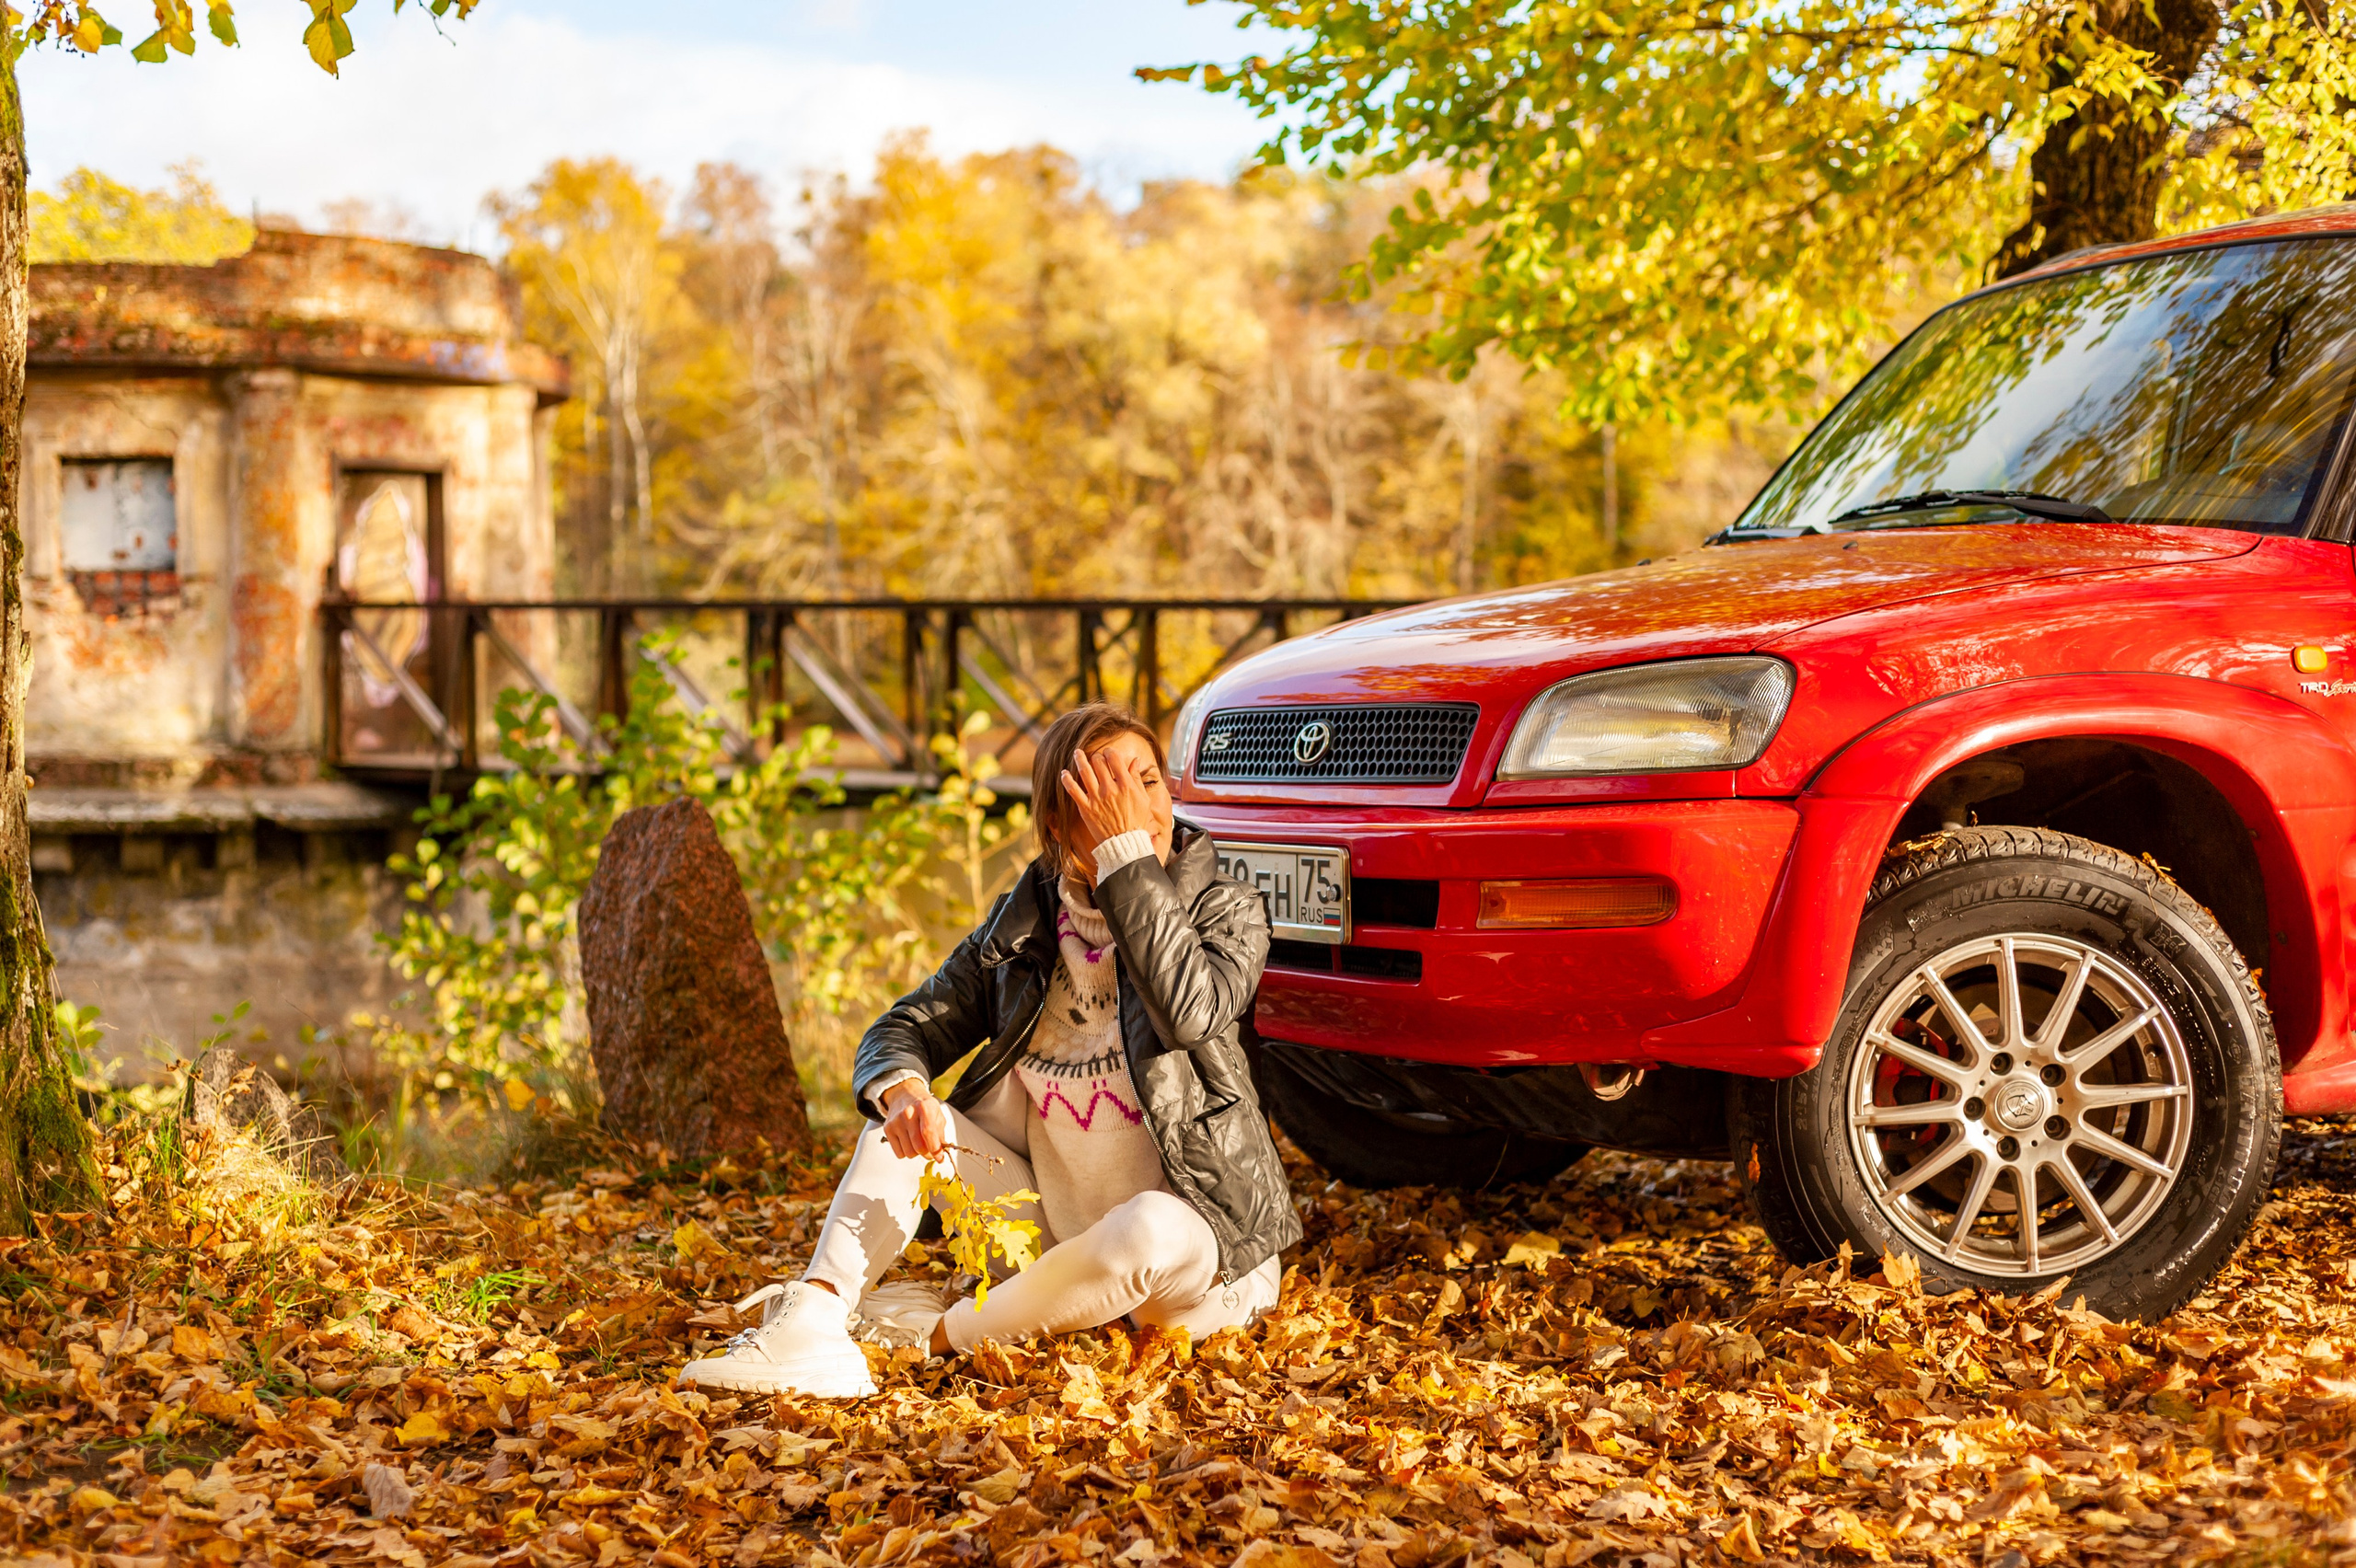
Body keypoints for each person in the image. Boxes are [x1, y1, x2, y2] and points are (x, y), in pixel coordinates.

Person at [679, 701, 1300, 1397]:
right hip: (1050, 1239)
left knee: (1147, 1229)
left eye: (1148, 781)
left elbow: (1190, 1013)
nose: (1138, 807)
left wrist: (1125, 857)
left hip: (1196, 1254)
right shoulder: (1024, 928)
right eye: (1107, 791)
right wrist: (903, 1091)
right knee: (905, 1123)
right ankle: (813, 1326)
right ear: (1059, 823)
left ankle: (933, 1335)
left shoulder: (1227, 905)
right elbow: (903, 1027)